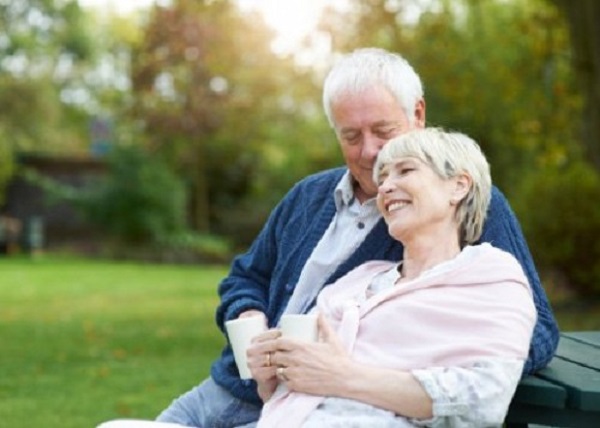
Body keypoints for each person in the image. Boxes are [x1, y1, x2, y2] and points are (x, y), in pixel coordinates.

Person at [98, 47, 559, 428]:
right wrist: (251, 329)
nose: (370, 152)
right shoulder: (309, 197)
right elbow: (245, 277)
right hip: (237, 386)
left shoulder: (460, 204)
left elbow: (534, 331)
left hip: (327, 406)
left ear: (417, 114)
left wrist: (382, 375)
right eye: (351, 136)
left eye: (383, 131)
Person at [251, 127, 536, 427]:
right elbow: (299, 383)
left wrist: (344, 377)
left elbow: (483, 401)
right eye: (383, 177)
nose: (385, 187)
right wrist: (270, 376)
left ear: (458, 186)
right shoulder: (357, 282)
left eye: (405, 170)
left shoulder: (490, 276)